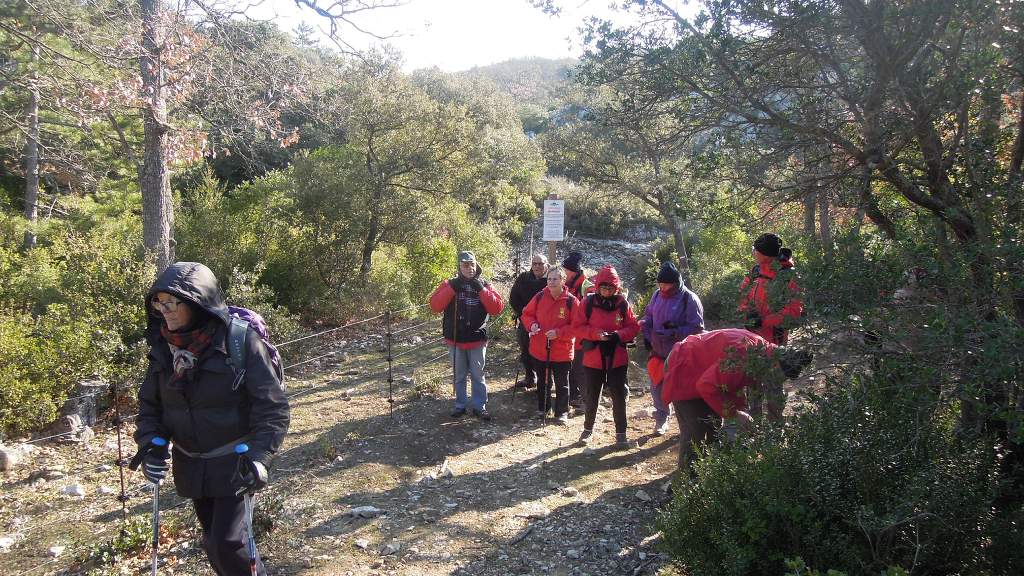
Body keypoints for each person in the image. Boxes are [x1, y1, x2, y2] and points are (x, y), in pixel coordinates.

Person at [133, 262, 290, 576]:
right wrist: (150, 444)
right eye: (158, 302)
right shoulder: (164, 348)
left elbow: (272, 407)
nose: (164, 310)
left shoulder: (239, 341)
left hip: (236, 463)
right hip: (192, 465)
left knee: (226, 543)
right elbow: (151, 406)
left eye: (172, 302)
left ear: (196, 302)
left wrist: (260, 458)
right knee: (214, 542)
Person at [660, 328, 812, 471]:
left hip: (701, 369)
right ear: (776, 363)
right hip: (683, 366)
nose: (776, 380)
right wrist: (734, 414)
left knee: (714, 427)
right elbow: (706, 386)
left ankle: (710, 478)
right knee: (696, 431)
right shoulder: (744, 354)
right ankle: (684, 486)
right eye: (779, 375)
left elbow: (734, 384)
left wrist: (740, 412)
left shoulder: (761, 354)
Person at [429, 251, 505, 420]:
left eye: (472, 264)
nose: (469, 268)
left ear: (476, 265)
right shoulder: (449, 284)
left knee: (478, 375)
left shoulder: (485, 284)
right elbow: (435, 305)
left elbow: (497, 308)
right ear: (459, 267)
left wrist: (480, 288)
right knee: (459, 374)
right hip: (455, 339)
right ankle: (460, 405)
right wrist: (454, 286)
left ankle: (479, 407)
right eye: (465, 265)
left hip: (477, 339)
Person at [572, 265, 641, 446]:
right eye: (604, 287)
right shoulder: (587, 303)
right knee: (592, 395)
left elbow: (634, 327)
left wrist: (618, 335)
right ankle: (587, 431)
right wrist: (596, 334)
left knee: (618, 395)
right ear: (598, 287)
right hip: (593, 358)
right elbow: (578, 327)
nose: (607, 291)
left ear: (616, 288)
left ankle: (621, 434)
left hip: (617, 357)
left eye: (610, 288)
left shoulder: (622, 304)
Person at [641, 261, 705, 436]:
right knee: (657, 386)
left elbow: (698, 329)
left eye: (666, 284)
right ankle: (661, 419)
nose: (662, 287)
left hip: (680, 353)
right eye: (660, 284)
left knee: (681, 390)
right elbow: (648, 317)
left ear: (676, 283)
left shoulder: (689, 299)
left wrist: (675, 331)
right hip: (658, 351)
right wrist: (647, 335)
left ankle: (686, 425)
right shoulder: (656, 295)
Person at [520, 266, 578, 424]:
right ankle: (543, 409)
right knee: (543, 382)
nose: (551, 282)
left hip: (562, 351)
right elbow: (526, 314)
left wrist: (559, 333)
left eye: (555, 279)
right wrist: (531, 325)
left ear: (562, 280)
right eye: (549, 279)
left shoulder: (572, 301)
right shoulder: (539, 296)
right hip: (540, 349)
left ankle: (562, 413)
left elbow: (577, 326)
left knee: (562, 384)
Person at [739, 233, 803, 345]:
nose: (753, 252)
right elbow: (742, 295)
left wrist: (763, 321)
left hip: (775, 340)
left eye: (755, 250)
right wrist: (747, 313)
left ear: (766, 255)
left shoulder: (788, 276)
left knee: (772, 361)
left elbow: (794, 310)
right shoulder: (755, 271)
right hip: (750, 335)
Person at [509, 254, 549, 390]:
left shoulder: (551, 279)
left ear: (546, 264)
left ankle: (545, 383)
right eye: (534, 263)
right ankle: (530, 378)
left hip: (545, 324)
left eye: (540, 263)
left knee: (544, 354)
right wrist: (523, 311)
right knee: (525, 351)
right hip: (525, 321)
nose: (537, 266)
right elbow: (513, 298)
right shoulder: (523, 278)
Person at [561, 251, 592, 411]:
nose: (564, 274)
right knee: (573, 368)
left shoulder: (586, 286)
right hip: (572, 335)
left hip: (582, 337)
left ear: (573, 271)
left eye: (566, 271)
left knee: (581, 370)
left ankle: (588, 403)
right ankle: (577, 398)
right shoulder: (569, 284)